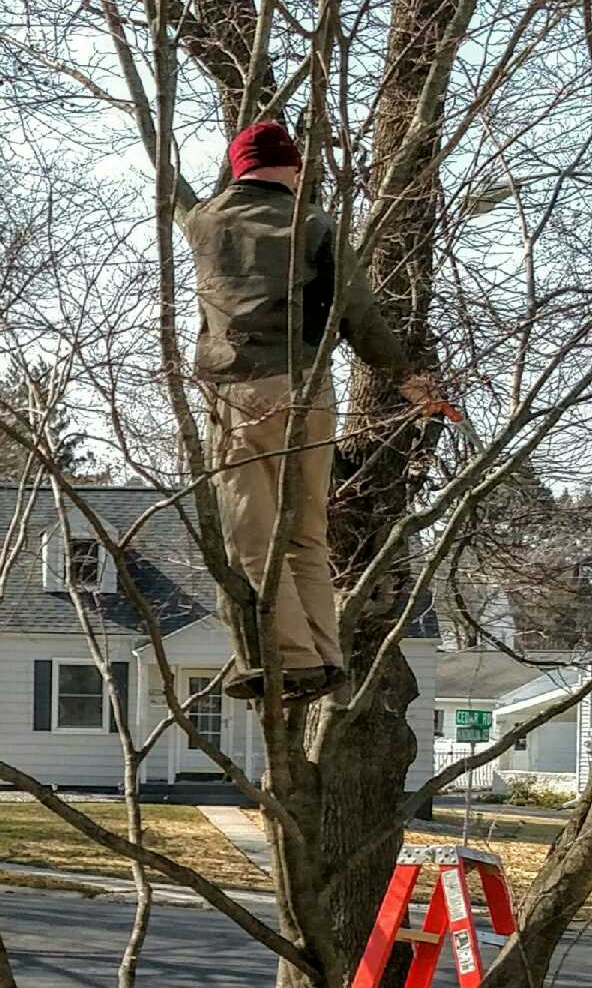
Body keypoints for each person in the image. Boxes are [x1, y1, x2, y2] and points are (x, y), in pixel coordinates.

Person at [186, 120, 440, 703]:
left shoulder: (204, 221)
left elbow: (182, 202)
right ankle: (326, 656)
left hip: (235, 393)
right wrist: (405, 380)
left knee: (251, 537)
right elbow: (359, 314)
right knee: (305, 534)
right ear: (294, 167)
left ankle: (294, 660)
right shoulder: (315, 224)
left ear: (237, 167)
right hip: (306, 393)